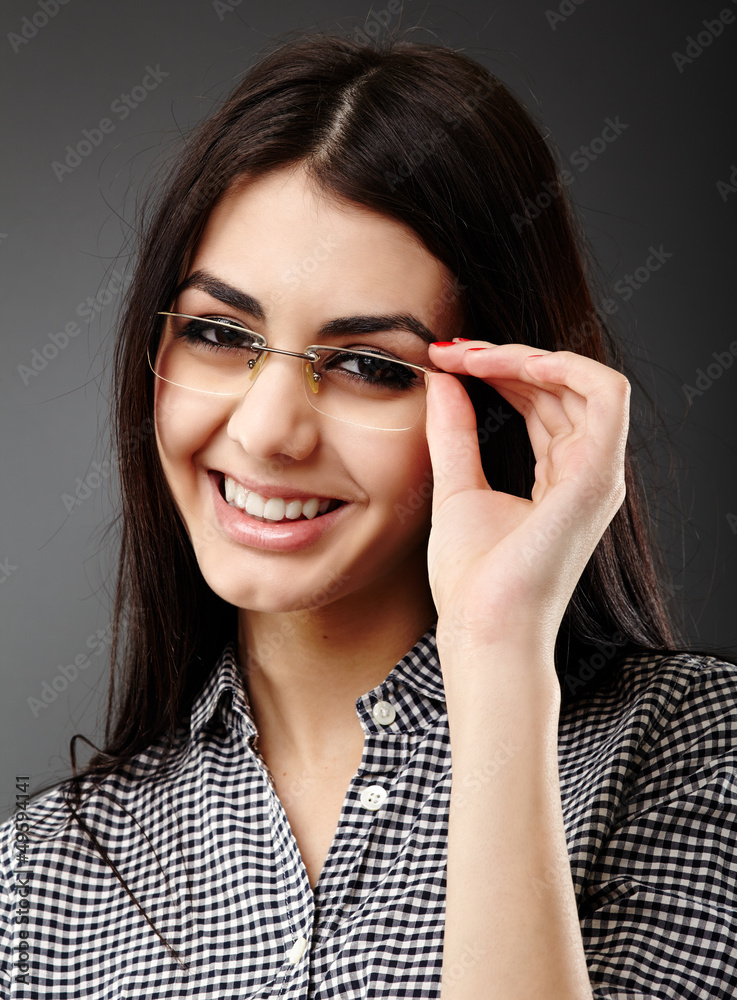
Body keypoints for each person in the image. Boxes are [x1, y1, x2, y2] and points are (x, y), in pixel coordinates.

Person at [2, 29, 736, 1000]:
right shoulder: (32, 884)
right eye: (221, 333)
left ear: (497, 400)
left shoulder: (690, 757)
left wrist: (499, 650)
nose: (266, 431)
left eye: (369, 366)